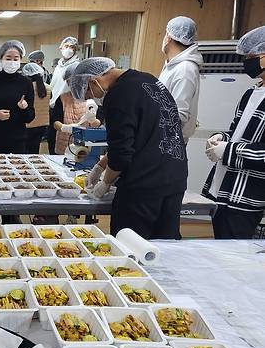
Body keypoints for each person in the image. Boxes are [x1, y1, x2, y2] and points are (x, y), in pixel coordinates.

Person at [74, 58, 188, 240]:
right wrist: (101, 166)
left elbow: (122, 153)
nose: (93, 97)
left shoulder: (118, 94)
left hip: (143, 185)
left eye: (89, 92)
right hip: (174, 177)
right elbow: (140, 137)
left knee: (132, 246)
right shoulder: (149, 80)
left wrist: (105, 183)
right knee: (165, 244)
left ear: (93, 81)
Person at [202, 26, 265, 239]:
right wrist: (222, 138)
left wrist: (228, 151)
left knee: (232, 257)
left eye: (252, 56)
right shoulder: (251, 93)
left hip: (245, 195)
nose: (248, 61)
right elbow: (237, 130)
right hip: (222, 188)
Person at [158, 16, 202, 144]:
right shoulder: (172, 65)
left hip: (170, 142)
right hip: (162, 138)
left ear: (169, 37)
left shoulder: (185, 69)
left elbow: (178, 115)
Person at [51, 62, 101, 155]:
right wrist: (66, 128)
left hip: (85, 147)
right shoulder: (62, 98)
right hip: (64, 145)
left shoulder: (93, 98)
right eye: (71, 81)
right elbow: (55, 122)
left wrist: (93, 120)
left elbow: (99, 124)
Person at [23, 62, 50, 154]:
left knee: (24, 150)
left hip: (28, 124)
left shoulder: (25, 87)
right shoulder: (48, 88)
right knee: (35, 150)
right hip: (42, 124)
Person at [50, 37, 80, 108]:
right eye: (66, 46)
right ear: (61, 48)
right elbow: (54, 84)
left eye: (72, 47)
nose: (68, 49)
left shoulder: (76, 66)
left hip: (68, 104)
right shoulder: (58, 66)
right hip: (53, 102)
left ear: (75, 50)